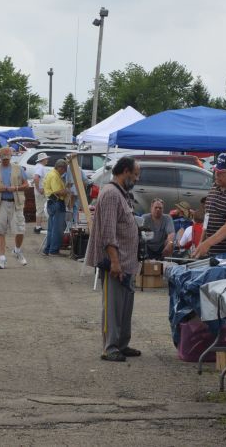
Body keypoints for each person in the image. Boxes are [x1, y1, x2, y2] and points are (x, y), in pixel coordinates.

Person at [84, 156, 141, 363]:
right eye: (135, 175)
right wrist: (114, 261)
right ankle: (110, 347)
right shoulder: (110, 194)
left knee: (125, 308)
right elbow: (108, 233)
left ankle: (122, 344)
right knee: (113, 307)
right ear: (125, 171)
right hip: (115, 263)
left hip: (128, 262)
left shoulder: (123, 194)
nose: (136, 179)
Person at [0, 147, 29, 268]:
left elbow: (26, 185)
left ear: (11, 156)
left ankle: (17, 250)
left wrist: (15, 188)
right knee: (0, 231)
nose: (5, 160)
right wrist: (1, 189)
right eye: (3, 158)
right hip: (0, 203)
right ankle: (2, 259)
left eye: (7, 158)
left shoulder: (18, 168)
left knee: (20, 230)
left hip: (16, 203)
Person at [42, 159, 69, 255]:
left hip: (52, 202)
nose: (65, 171)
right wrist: (66, 191)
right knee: (57, 229)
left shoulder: (52, 174)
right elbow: (57, 191)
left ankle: (48, 249)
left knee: (51, 228)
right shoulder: (54, 176)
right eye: (64, 169)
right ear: (60, 167)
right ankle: (53, 250)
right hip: (56, 202)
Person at [32, 152, 49, 234]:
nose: (47, 160)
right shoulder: (40, 168)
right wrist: (39, 189)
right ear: (43, 160)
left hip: (40, 190)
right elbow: (36, 178)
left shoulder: (39, 166)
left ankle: (38, 226)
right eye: (46, 159)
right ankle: (38, 226)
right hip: (41, 191)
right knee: (40, 208)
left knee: (40, 208)